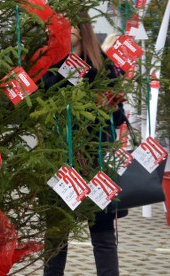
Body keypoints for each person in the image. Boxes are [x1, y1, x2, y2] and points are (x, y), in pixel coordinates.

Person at [42, 18, 127, 276]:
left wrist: (110, 106)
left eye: (70, 25)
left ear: (83, 29)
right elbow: (41, 104)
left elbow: (118, 118)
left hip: (96, 159)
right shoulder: (52, 65)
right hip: (61, 160)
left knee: (102, 233)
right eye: (60, 25)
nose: (64, 30)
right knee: (56, 234)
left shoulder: (103, 66)